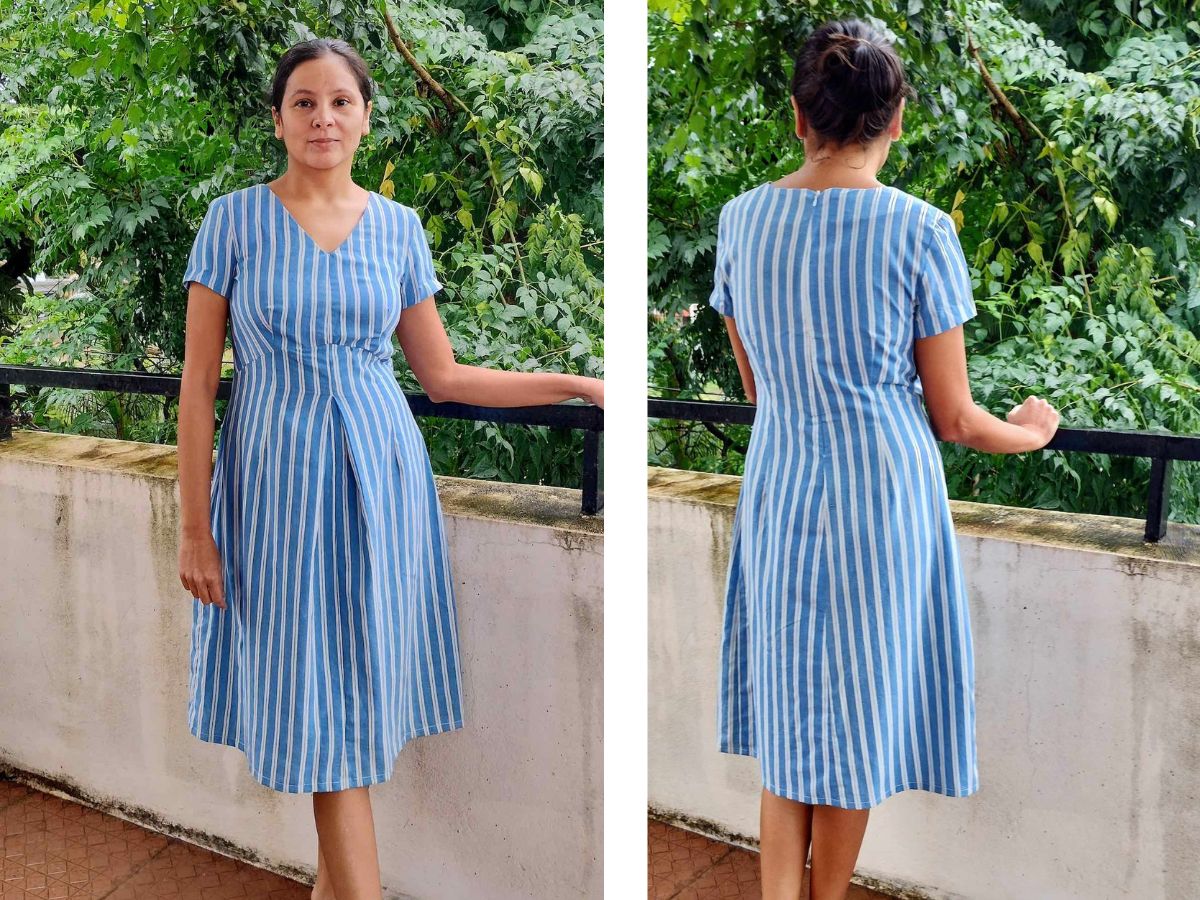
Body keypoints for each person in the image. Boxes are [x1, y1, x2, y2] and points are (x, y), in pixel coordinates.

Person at [175, 38, 603, 900]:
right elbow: (195, 391)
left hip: (381, 484)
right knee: (316, 703)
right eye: (304, 102)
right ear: (279, 118)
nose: (323, 118)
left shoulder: (399, 229)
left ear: (367, 115)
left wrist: (581, 383)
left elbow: (442, 377)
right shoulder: (232, 221)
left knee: (356, 691)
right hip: (274, 490)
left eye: (340, 101)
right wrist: (195, 529)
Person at [708, 19, 1059, 900]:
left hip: (783, 485)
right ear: (895, 118)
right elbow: (957, 418)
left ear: (799, 116)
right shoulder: (921, 230)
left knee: (793, 714)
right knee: (858, 717)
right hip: (882, 498)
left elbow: (759, 384)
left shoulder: (742, 220)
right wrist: (1035, 431)